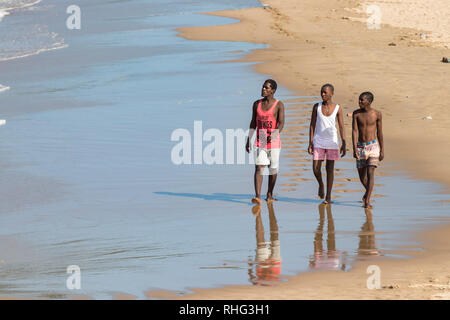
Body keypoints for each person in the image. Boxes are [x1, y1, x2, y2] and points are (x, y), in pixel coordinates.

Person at [246, 79, 285, 203]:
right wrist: (248, 139)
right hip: (261, 137)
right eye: (263, 87)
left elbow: (282, 122)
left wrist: (274, 134)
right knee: (259, 167)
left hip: (273, 137)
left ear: (273, 91)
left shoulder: (279, 105)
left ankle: (269, 193)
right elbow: (253, 122)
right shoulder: (256, 104)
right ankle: (257, 196)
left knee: (273, 168)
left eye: (266, 88)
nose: (263, 89)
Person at [308, 84, 346, 204]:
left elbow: (341, 127)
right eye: (321, 92)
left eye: (325, 92)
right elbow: (312, 125)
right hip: (318, 140)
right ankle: (321, 184)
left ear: (331, 93)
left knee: (330, 169)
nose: (322, 94)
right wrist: (310, 142)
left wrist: (344, 142)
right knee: (315, 169)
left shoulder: (337, 108)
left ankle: (328, 196)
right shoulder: (317, 107)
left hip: (332, 141)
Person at [352, 92, 384, 208]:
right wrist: (354, 147)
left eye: (362, 100)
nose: (359, 102)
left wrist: (382, 150)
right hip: (361, 147)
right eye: (359, 100)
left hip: (373, 146)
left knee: (370, 172)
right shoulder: (356, 114)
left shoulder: (377, 114)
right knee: (362, 177)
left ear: (369, 101)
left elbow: (379, 133)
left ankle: (367, 200)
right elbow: (355, 131)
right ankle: (367, 192)